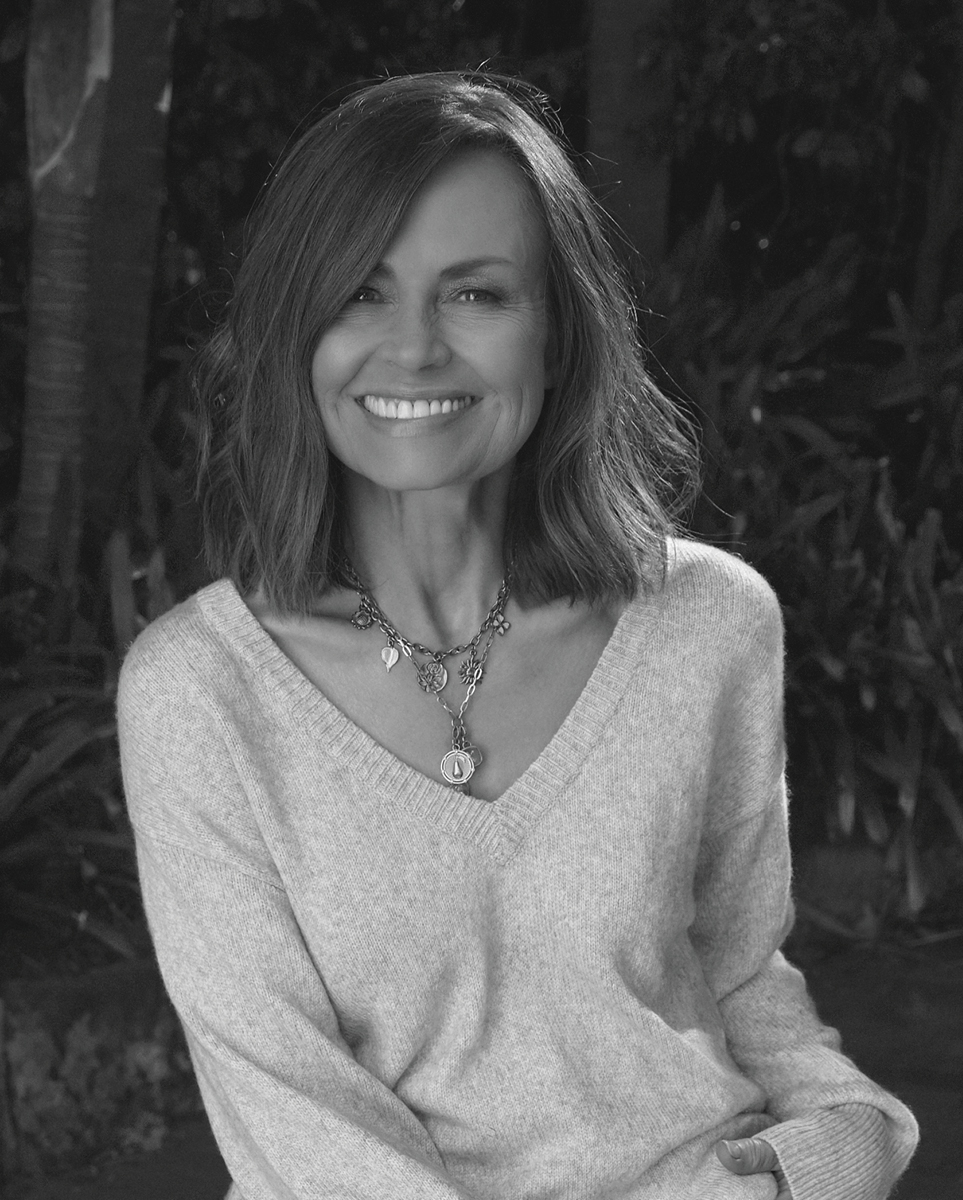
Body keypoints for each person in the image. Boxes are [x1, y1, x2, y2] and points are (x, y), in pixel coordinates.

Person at [117, 72, 918, 1200]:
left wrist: (834, 1146)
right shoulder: (199, 693)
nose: (413, 349)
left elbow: (743, 982)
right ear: (296, 330)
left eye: (476, 294)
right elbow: (294, 1120)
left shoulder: (710, 626)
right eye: (359, 291)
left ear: (559, 333)